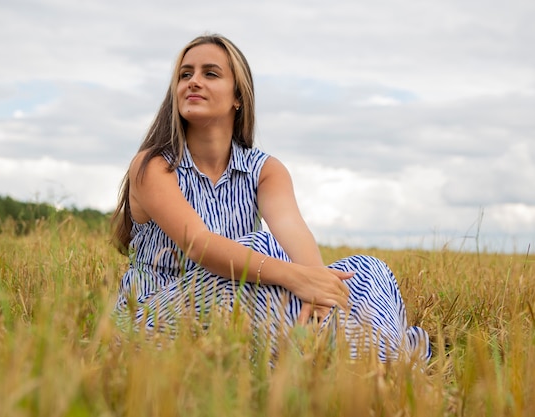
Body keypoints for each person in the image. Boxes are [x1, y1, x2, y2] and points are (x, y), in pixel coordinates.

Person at [111, 33, 431, 363]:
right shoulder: (153, 165)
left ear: (238, 97)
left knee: (367, 269)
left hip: (239, 303)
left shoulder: (265, 170)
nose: (193, 82)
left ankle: (374, 362)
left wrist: (319, 291)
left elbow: (293, 232)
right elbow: (198, 243)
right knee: (262, 249)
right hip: (155, 314)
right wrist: (296, 277)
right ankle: (383, 357)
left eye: (210, 73)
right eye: (185, 74)